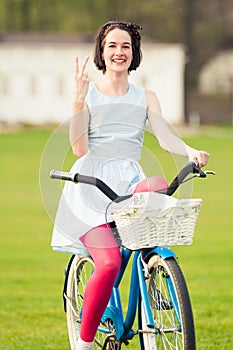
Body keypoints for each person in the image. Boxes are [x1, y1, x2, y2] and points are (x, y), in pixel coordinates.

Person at [51, 21, 209, 350]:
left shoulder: (145, 95)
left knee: (158, 185)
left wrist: (190, 151)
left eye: (125, 46)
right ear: (102, 52)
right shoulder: (90, 93)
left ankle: (152, 275)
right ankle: (83, 343)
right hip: (91, 190)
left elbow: (166, 137)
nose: (119, 52)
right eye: (112, 46)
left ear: (133, 52)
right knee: (107, 263)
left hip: (129, 183)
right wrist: (77, 104)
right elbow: (79, 149)